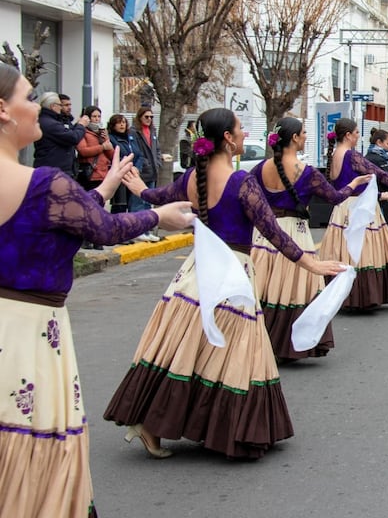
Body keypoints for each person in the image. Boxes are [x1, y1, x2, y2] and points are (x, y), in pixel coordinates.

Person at [0, 63, 194, 517]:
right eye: (30, 98)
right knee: (32, 443)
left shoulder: (49, 188)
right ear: (2, 110)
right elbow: (102, 229)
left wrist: (105, 187)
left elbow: (67, 219)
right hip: (28, 334)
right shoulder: (45, 183)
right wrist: (157, 217)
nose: (38, 108)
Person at [104, 108, 348, 460]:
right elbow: (272, 231)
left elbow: (160, 198)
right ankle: (222, 428)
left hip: (196, 272)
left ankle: (154, 424)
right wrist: (311, 262)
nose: (245, 135)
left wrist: (141, 187)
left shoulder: (193, 177)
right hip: (232, 272)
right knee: (232, 352)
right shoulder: (239, 182)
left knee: (188, 347)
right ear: (229, 139)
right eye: (240, 130)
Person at [250, 117, 371, 362]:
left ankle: (256, 339)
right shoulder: (306, 172)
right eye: (304, 133)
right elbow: (335, 197)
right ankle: (288, 343)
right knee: (292, 289)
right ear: (294, 138)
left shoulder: (261, 168)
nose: (306, 136)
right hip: (294, 233)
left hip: (264, 234)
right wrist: (354, 184)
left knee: (262, 285)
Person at [316, 117, 388, 309]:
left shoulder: (335, 155)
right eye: (356, 133)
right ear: (348, 135)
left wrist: (379, 195)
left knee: (344, 249)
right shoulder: (350, 155)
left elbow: (345, 185)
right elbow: (378, 173)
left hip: (343, 208)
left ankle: (340, 293)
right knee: (364, 250)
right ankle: (361, 295)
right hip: (359, 207)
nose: (358, 136)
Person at [33, 92, 87, 174]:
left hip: (54, 168)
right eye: (60, 105)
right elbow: (72, 138)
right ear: (53, 106)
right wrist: (81, 125)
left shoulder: (49, 121)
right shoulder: (51, 124)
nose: (61, 108)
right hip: (53, 170)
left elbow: (68, 133)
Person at [107, 114, 142, 217]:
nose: (122, 125)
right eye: (119, 123)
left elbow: (139, 154)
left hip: (133, 175)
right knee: (120, 206)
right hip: (120, 176)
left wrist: (137, 167)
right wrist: (130, 167)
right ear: (113, 125)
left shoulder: (131, 137)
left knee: (134, 204)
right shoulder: (111, 138)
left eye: (124, 122)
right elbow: (116, 156)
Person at [130, 107, 162, 220]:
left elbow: (157, 149)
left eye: (151, 117)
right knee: (138, 202)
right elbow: (135, 151)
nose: (149, 119)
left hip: (152, 172)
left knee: (148, 202)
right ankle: (137, 229)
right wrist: (144, 164)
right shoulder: (134, 131)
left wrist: (157, 162)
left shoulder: (153, 130)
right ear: (140, 117)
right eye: (146, 117)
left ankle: (147, 229)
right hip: (141, 172)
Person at [75, 106, 113, 191]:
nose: (97, 119)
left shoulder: (102, 132)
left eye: (99, 116)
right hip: (90, 173)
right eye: (94, 116)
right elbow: (83, 151)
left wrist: (106, 140)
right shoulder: (83, 131)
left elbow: (111, 155)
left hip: (103, 173)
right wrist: (102, 147)